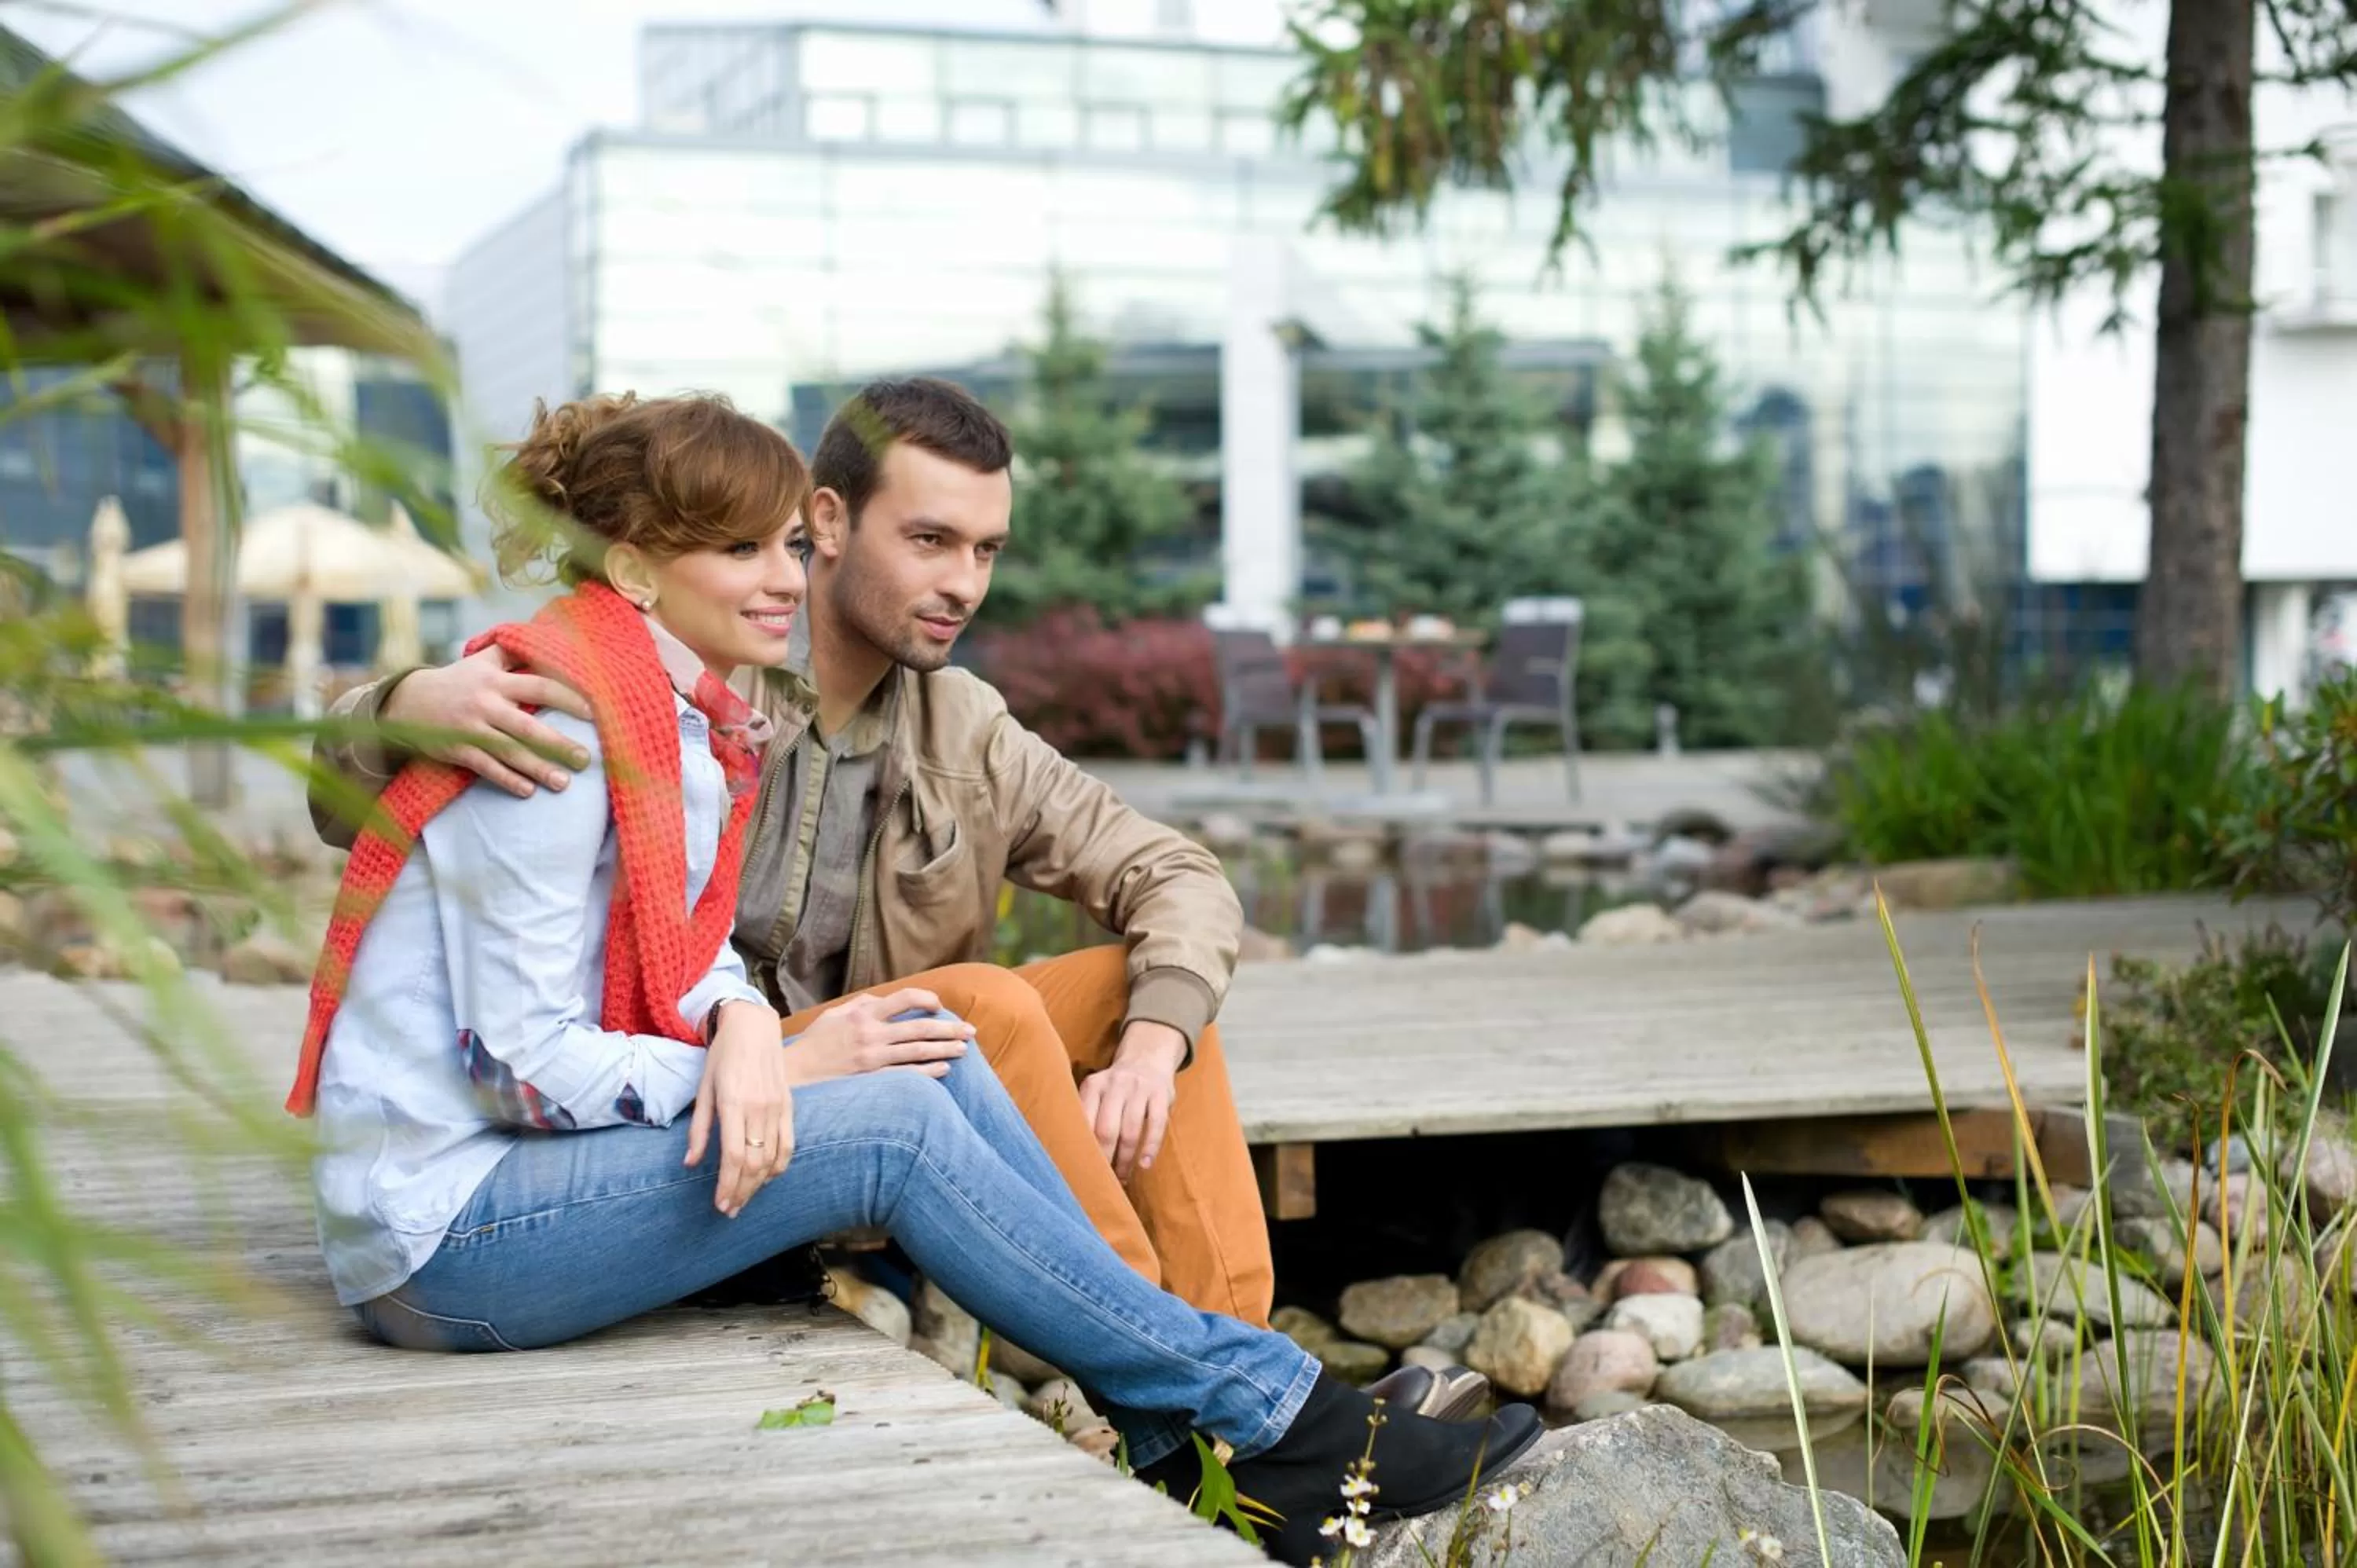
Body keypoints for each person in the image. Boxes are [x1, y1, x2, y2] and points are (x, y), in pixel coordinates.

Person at [292, 392, 1539, 1565]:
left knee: (1124, 993)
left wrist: (1155, 1033)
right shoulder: (624, 698)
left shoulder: (872, 720)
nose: (964, 582)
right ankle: (1232, 1403)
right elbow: (482, 986)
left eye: (988, 550)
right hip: (576, 1151)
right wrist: (404, 696)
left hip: (706, 1084)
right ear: (829, 525)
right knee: (960, 1017)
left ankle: (1226, 1398)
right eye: (932, 538)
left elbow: (1168, 875)